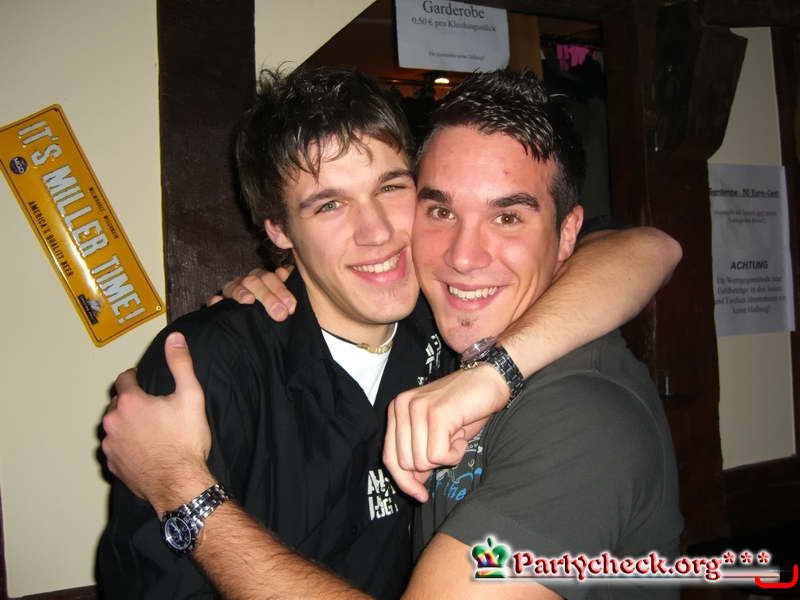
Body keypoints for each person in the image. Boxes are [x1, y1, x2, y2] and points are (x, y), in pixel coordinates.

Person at [100, 67, 681, 599]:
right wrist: (174, 477)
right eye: (329, 205)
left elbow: (646, 248)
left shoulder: (455, 322)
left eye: (390, 188)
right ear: (278, 229)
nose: (376, 232)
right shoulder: (203, 370)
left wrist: (491, 374)